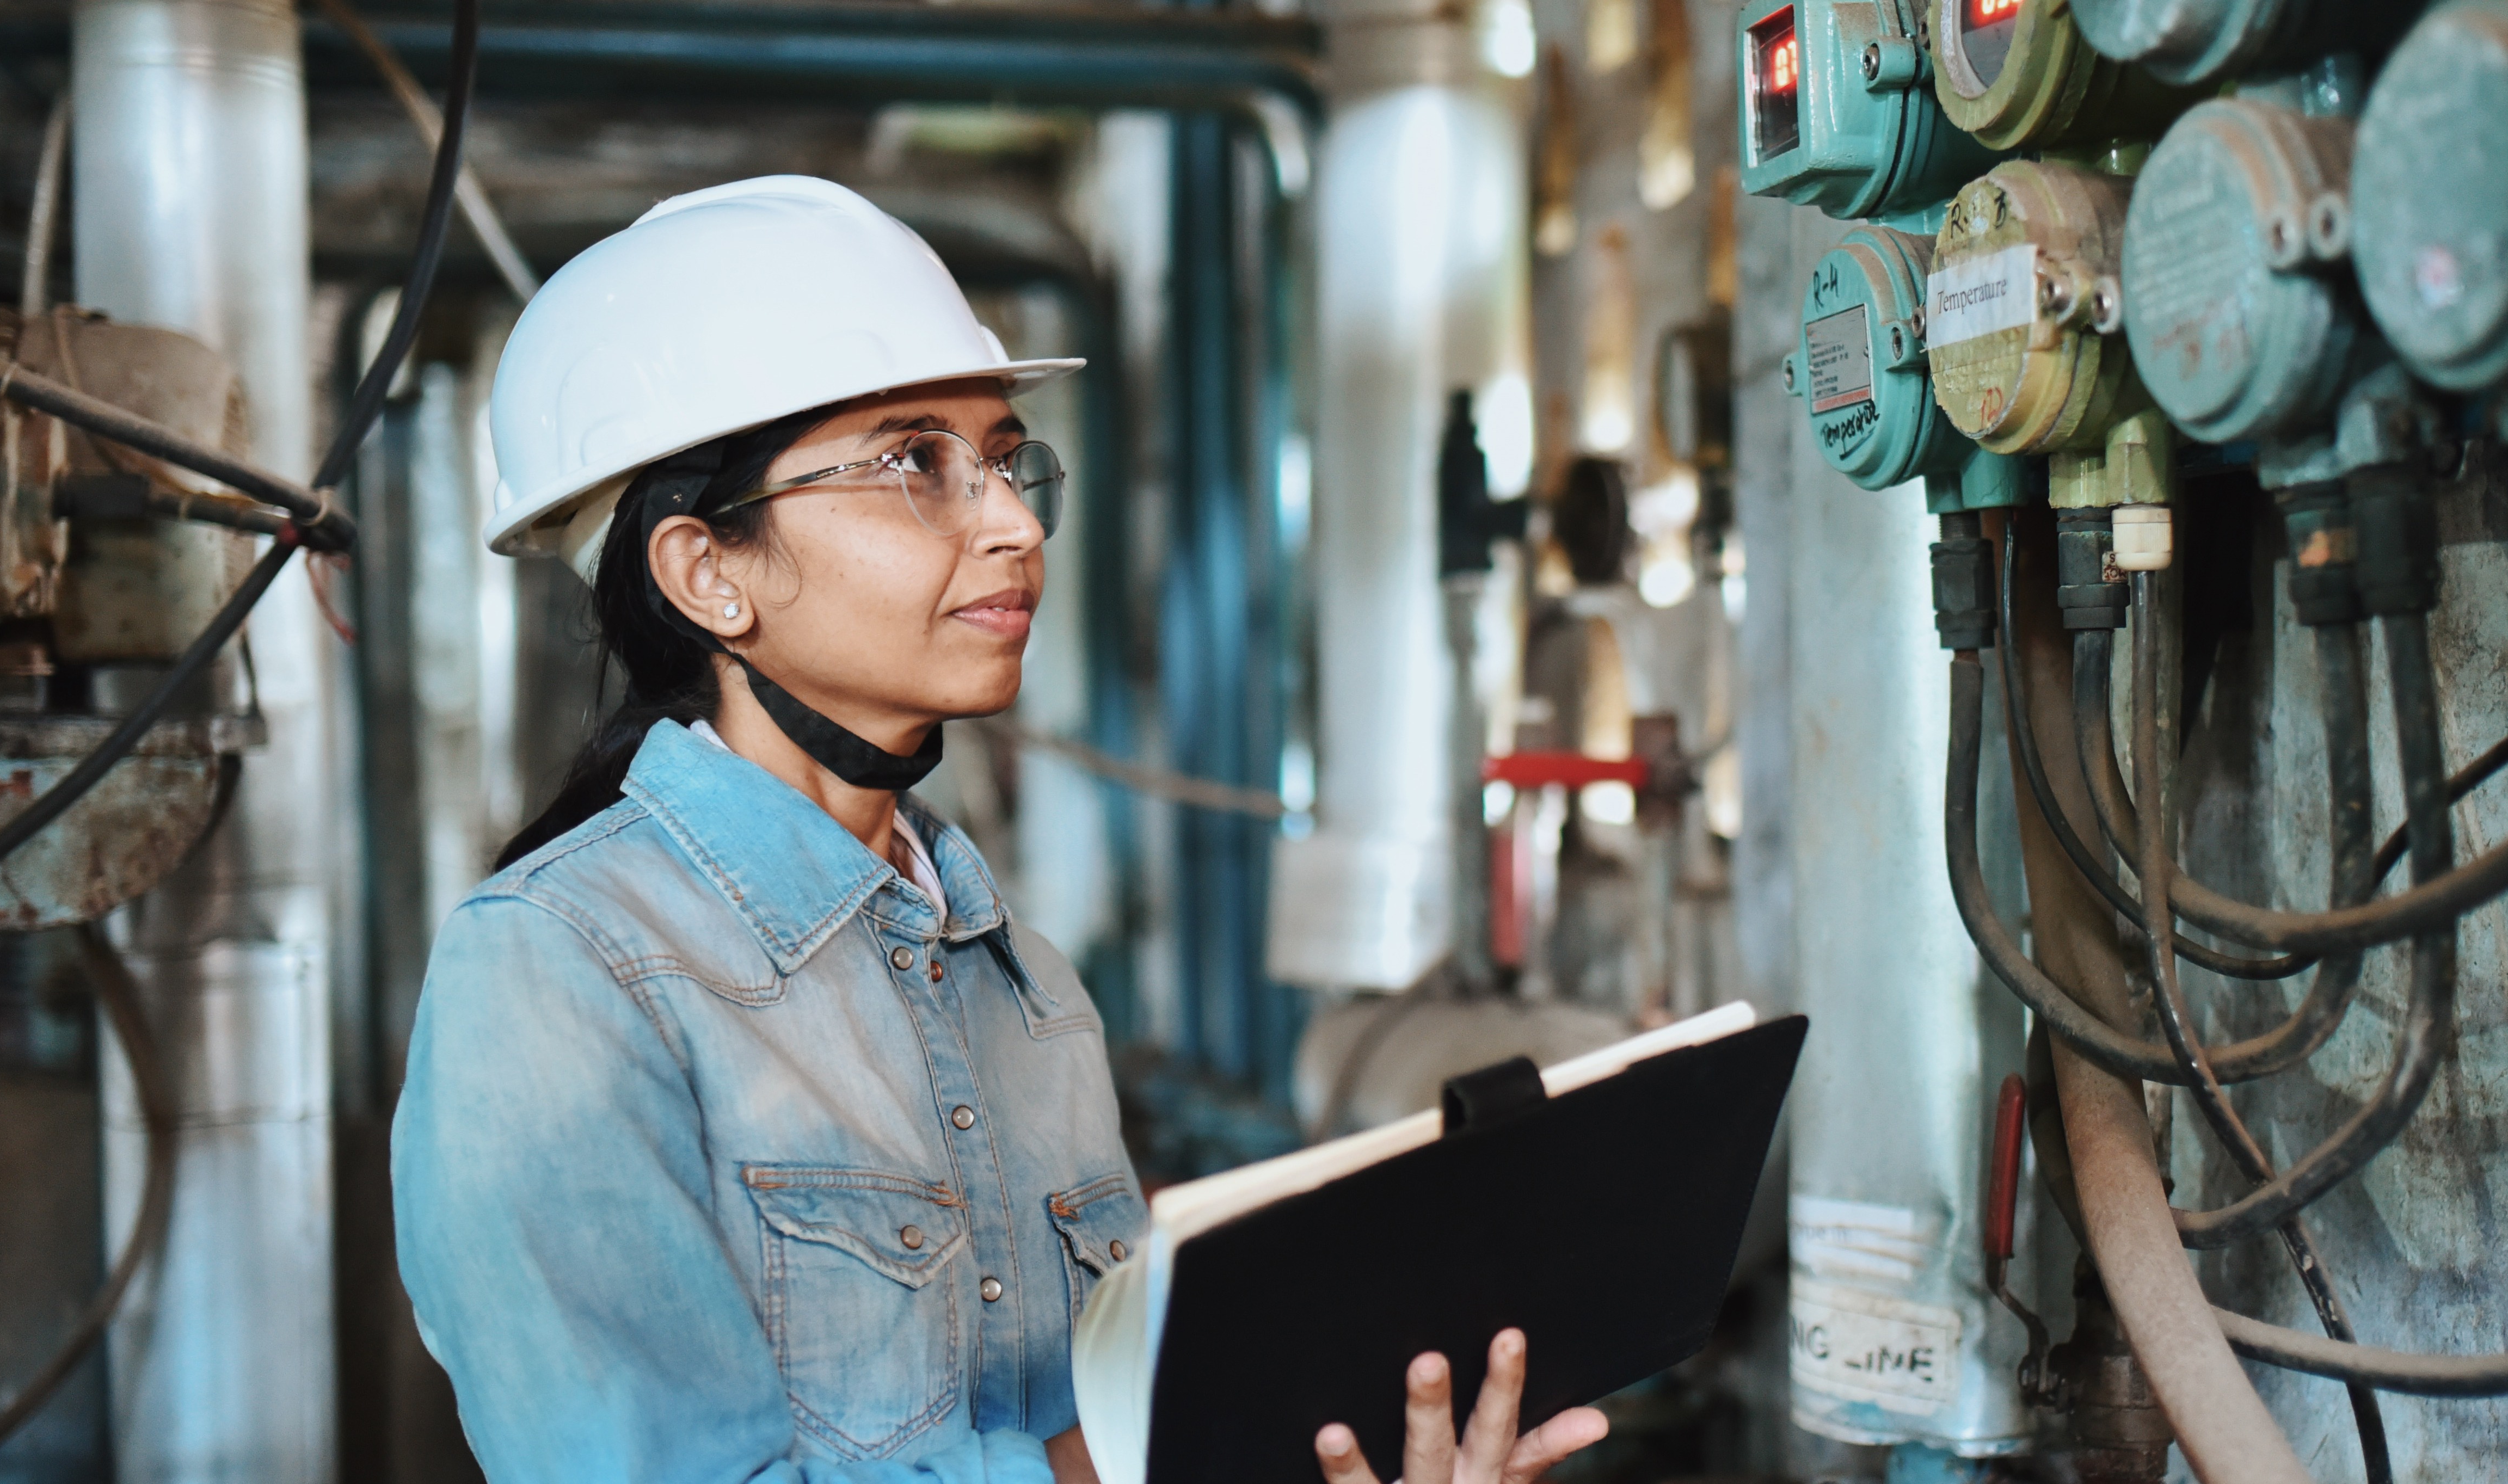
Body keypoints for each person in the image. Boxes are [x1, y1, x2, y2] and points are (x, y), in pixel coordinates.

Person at [391, 176, 1606, 1484]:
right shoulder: (557, 975)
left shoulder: (1027, 986)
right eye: (915, 462)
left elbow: (1157, 1402)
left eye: (1005, 458)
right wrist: (1122, 1459)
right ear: (707, 572)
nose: (1017, 523)